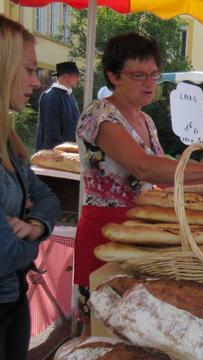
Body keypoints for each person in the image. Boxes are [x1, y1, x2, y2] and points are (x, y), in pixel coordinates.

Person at [74, 33, 203, 330]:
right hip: (106, 233)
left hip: (143, 233)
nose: (149, 83)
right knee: (100, 325)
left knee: (134, 324)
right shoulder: (99, 114)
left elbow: (165, 174)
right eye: (138, 75)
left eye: (153, 75)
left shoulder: (146, 120)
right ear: (113, 76)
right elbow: (145, 168)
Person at [0, 16, 60, 360]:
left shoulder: (7, 140)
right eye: (28, 69)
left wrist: (34, 224)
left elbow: (46, 197)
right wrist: (35, 247)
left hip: (12, 299)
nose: (36, 82)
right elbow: (4, 253)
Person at [35, 61, 81, 151]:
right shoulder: (51, 97)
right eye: (76, 76)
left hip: (68, 152)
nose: (78, 79)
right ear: (66, 76)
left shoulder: (69, 96)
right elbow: (51, 133)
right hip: (53, 155)